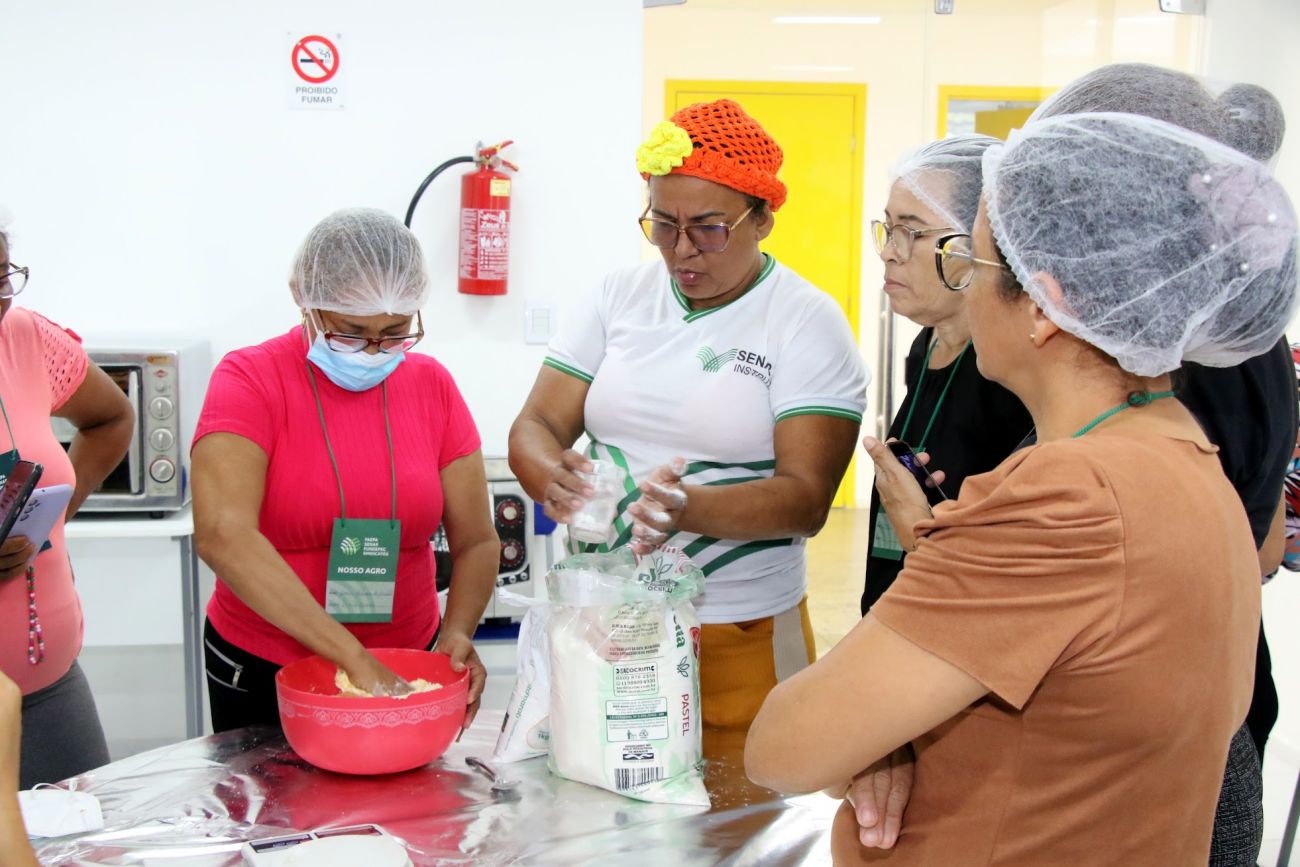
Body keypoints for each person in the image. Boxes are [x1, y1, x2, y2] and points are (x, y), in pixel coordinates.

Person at [745, 112, 1296, 865]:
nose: (963, 292)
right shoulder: (1179, 447)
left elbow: (784, 747)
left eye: (970, 265)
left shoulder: (1064, 497)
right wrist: (887, 733)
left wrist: (869, 730)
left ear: (1040, 306)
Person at [508, 99, 868, 730]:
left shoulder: (804, 321)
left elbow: (806, 500)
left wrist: (687, 509)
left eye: (708, 227)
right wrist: (548, 474)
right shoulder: (619, 296)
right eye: (663, 224)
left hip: (738, 627)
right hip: (608, 620)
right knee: (599, 781)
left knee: (746, 789)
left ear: (763, 219)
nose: (682, 251)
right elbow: (537, 423)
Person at [1027, 63, 1297, 867]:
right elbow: (1258, 545)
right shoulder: (1230, 333)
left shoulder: (1156, 362)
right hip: (1207, 706)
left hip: (1146, 750)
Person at [192, 208, 498, 733]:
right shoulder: (250, 379)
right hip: (267, 665)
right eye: (350, 333)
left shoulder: (432, 386)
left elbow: (477, 541)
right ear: (305, 301)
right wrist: (354, 659)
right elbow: (224, 535)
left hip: (409, 658)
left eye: (395, 332)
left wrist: (456, 633)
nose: (373, 351)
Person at [862, 135, 1032, 615]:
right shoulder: (927, 344)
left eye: (912, 233)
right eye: (888, 230)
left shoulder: (1014, 375)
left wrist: (920, 528)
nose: (889, 252)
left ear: (978, 241)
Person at [0, 229, 133, 787]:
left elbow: (111, 418)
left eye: (1, 277)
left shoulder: (24, 337)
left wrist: (48, 520)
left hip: (48, 688)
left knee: (84, 833)